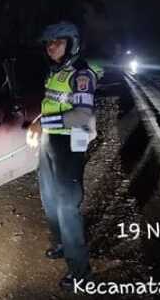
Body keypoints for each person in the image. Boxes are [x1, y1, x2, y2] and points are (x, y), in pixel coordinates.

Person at [26, 21, 98, 290]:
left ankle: (80, 273)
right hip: (50, 141)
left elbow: (81, 115)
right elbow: (49, 106)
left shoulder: (81, 74)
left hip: (71, 142)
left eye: (58, 41)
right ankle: (61, 243)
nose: (51, 46)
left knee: (67, 205)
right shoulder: (55, 72)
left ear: (73, 43)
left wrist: (42, 124)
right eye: (48, 42)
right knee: (48, 196)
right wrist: (39, 125)